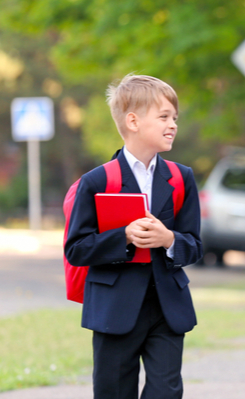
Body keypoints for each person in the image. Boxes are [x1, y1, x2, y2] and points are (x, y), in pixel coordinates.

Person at [65, 74, 202, 399]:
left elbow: (194, 245)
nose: (173, 125)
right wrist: (124, 236)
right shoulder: (97, 181)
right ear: (133, 121)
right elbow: (76, 249)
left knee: (166, 392)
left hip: (167, 308)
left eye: (175, 118)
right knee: (113, 392)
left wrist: (169, 239)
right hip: (114, 309)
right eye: (164, 117)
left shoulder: (182, 178)